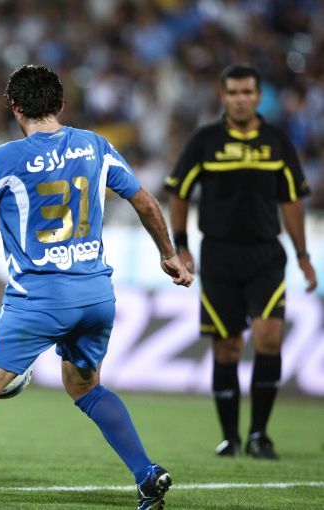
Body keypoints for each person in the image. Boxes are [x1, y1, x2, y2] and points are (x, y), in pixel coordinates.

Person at [0, 64, 193, 508]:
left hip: (39, 299)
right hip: (96, 295)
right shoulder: (94, 145)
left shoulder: (8, 157)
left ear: (15, 108)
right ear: (61, 105)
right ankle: (147, 474)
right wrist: (169, 254)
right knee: (86, 387)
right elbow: (144, 200)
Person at [164, 64, 317, 460]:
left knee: (269, 338)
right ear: (222, 96)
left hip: (266, 255)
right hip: (219, 256)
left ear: (258, 96)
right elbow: (178, 192)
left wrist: (303, 255)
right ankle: (230, 438)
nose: (240, 99)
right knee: (228, 347)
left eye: (247, 92)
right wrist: (182, 245)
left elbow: (292, 201)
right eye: (233, 92)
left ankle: (259, 435)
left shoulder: (276, 141)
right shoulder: (206, 140)